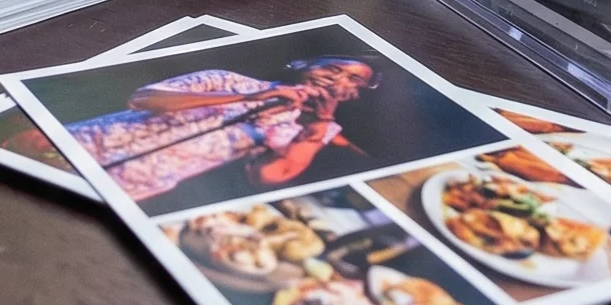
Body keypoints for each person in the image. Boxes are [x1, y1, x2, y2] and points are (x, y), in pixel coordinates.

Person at [64, 56, 379, 206]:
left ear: (356, 95)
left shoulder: (317, 128)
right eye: (332, 69)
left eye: (353, 81)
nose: (336, 81)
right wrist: (250, 97)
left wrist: (321, 120)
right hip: (78, 143)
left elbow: (270, 175)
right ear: (300, 65)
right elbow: (143, 99)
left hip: (124, 185)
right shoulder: (227, 78)